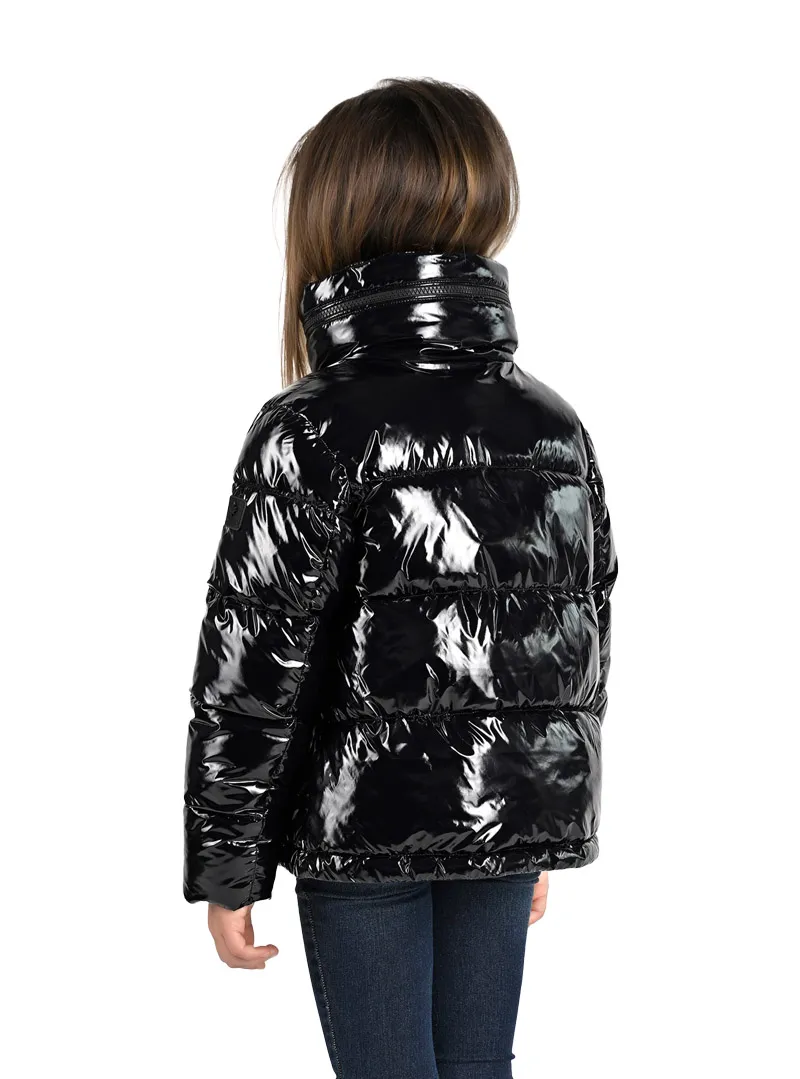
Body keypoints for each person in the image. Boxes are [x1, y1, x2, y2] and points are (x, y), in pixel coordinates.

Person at [183, 77, 617, 1079]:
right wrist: (532, 816)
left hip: (360, 834)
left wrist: (229, 862)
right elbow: (574, 640)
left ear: (331, 215)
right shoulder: (552, 425)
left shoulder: (310, 426)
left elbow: (256, 660)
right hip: (501, 822)